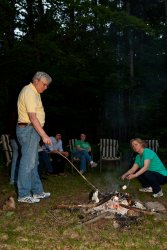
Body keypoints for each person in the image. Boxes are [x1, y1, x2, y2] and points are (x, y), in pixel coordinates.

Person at [16, 71, 52, 203]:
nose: (46, 87)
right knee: (28, 163)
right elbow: (32, 117)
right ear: (36, 81)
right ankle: (23, 194)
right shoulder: (29, 92)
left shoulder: (35, 93)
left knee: (33, 162)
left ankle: (37, 192)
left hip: (32, 131)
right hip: (28, 130)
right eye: (44, 84)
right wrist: (44, 135)